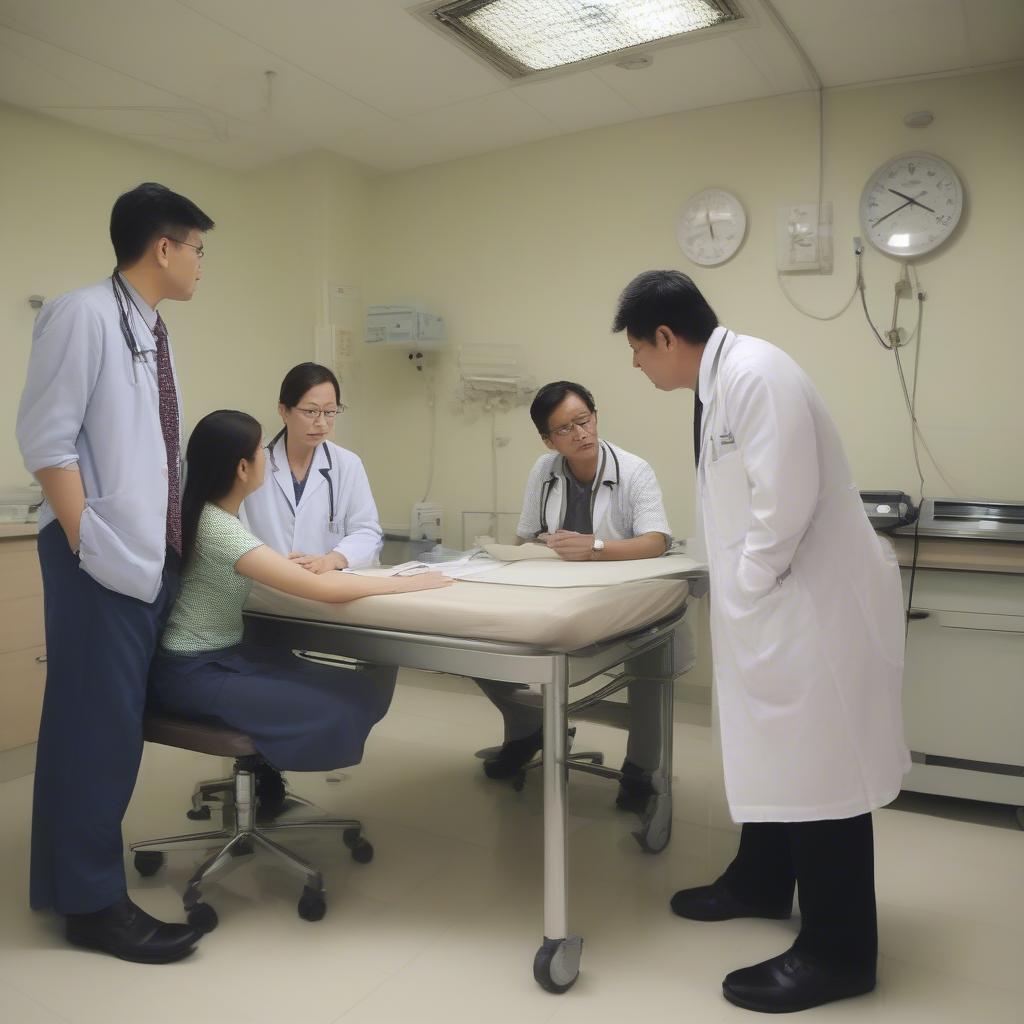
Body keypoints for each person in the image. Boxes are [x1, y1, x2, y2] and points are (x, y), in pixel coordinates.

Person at [612, 270, 908, 1013]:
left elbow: (786, 503)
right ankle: (762, 879)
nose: (636, 365)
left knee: (821, 769)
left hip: (805, 607)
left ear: (667, 337)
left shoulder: (754, 373)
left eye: (638, 350)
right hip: (775, 605)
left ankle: (840, 953)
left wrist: (747, 578)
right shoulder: (720, 383)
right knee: (776, 751)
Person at [16, 182, 214, 963]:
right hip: (97, 561)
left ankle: (69, 886)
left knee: (99, 732)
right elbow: (46, 441)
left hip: (138, 559)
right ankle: (93, 906)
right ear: (162, 247)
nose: (204, 264)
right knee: (93, 736)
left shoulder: (152, 331)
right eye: (199, 248)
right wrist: (88, 542)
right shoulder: (82, 313)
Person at [148, 411, 452, 782]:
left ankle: (265, 777)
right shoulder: (219, 528)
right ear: (243, 468)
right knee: (337, 702)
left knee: (353, 686)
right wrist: (406, 581)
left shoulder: (209, 517)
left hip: (215, 660)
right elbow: (323, 591)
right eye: (261, 450)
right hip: (193, 674)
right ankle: (266, 780)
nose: (268, 457)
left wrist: (306, 565)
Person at [476, 381, 675, 811]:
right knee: (481, 640)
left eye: (584, 420)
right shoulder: (544, 470)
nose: (580, 433)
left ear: (596, 417)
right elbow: (527, 535)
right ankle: (529, 729)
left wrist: (597, 547)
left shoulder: (634, 470)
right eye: (565, 429)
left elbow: (657, 541)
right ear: (549, 440)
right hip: (555, 590)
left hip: (620, 592)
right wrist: (508, 564)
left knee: (649, 666)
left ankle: (641, 769)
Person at [239, 362, 394, 808]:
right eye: (310, 411)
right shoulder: (254, 465)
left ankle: (312, 744)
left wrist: (333, 559)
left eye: (331, 411)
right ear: (284, 410)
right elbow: (237, 528)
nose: (322, 423)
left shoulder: (346, 465)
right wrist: (275, 568)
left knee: (354, 672)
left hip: (322, 590)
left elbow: (367, 530)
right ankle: (265, 766)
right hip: (261, 596)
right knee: (266, 672)